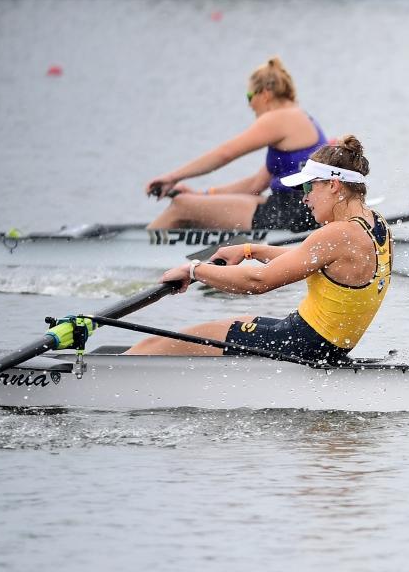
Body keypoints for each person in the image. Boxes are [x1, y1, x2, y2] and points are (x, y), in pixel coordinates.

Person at [127, 137, 391, 362]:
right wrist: (249, 250)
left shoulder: (337, 234)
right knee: (226, 324)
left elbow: (257, 281)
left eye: (309, 187)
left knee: (156, 346)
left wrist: (194, 270)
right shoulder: (374, 223)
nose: (304, 197)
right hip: (320, 344)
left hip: (300, 345)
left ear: (334, 185)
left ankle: (110, 371)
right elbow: (306, 259)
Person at [144, 57, 327, 232]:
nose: (249, 105)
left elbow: (225, 153)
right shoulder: (298, 116)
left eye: (249, 96)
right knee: (193, 206)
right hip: (295, 207)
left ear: (265, 95)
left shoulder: (279, 118)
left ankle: (137, 255)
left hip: (295, 212)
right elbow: (255, 185)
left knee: (181, 205)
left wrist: (172, 177)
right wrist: (202, 195)